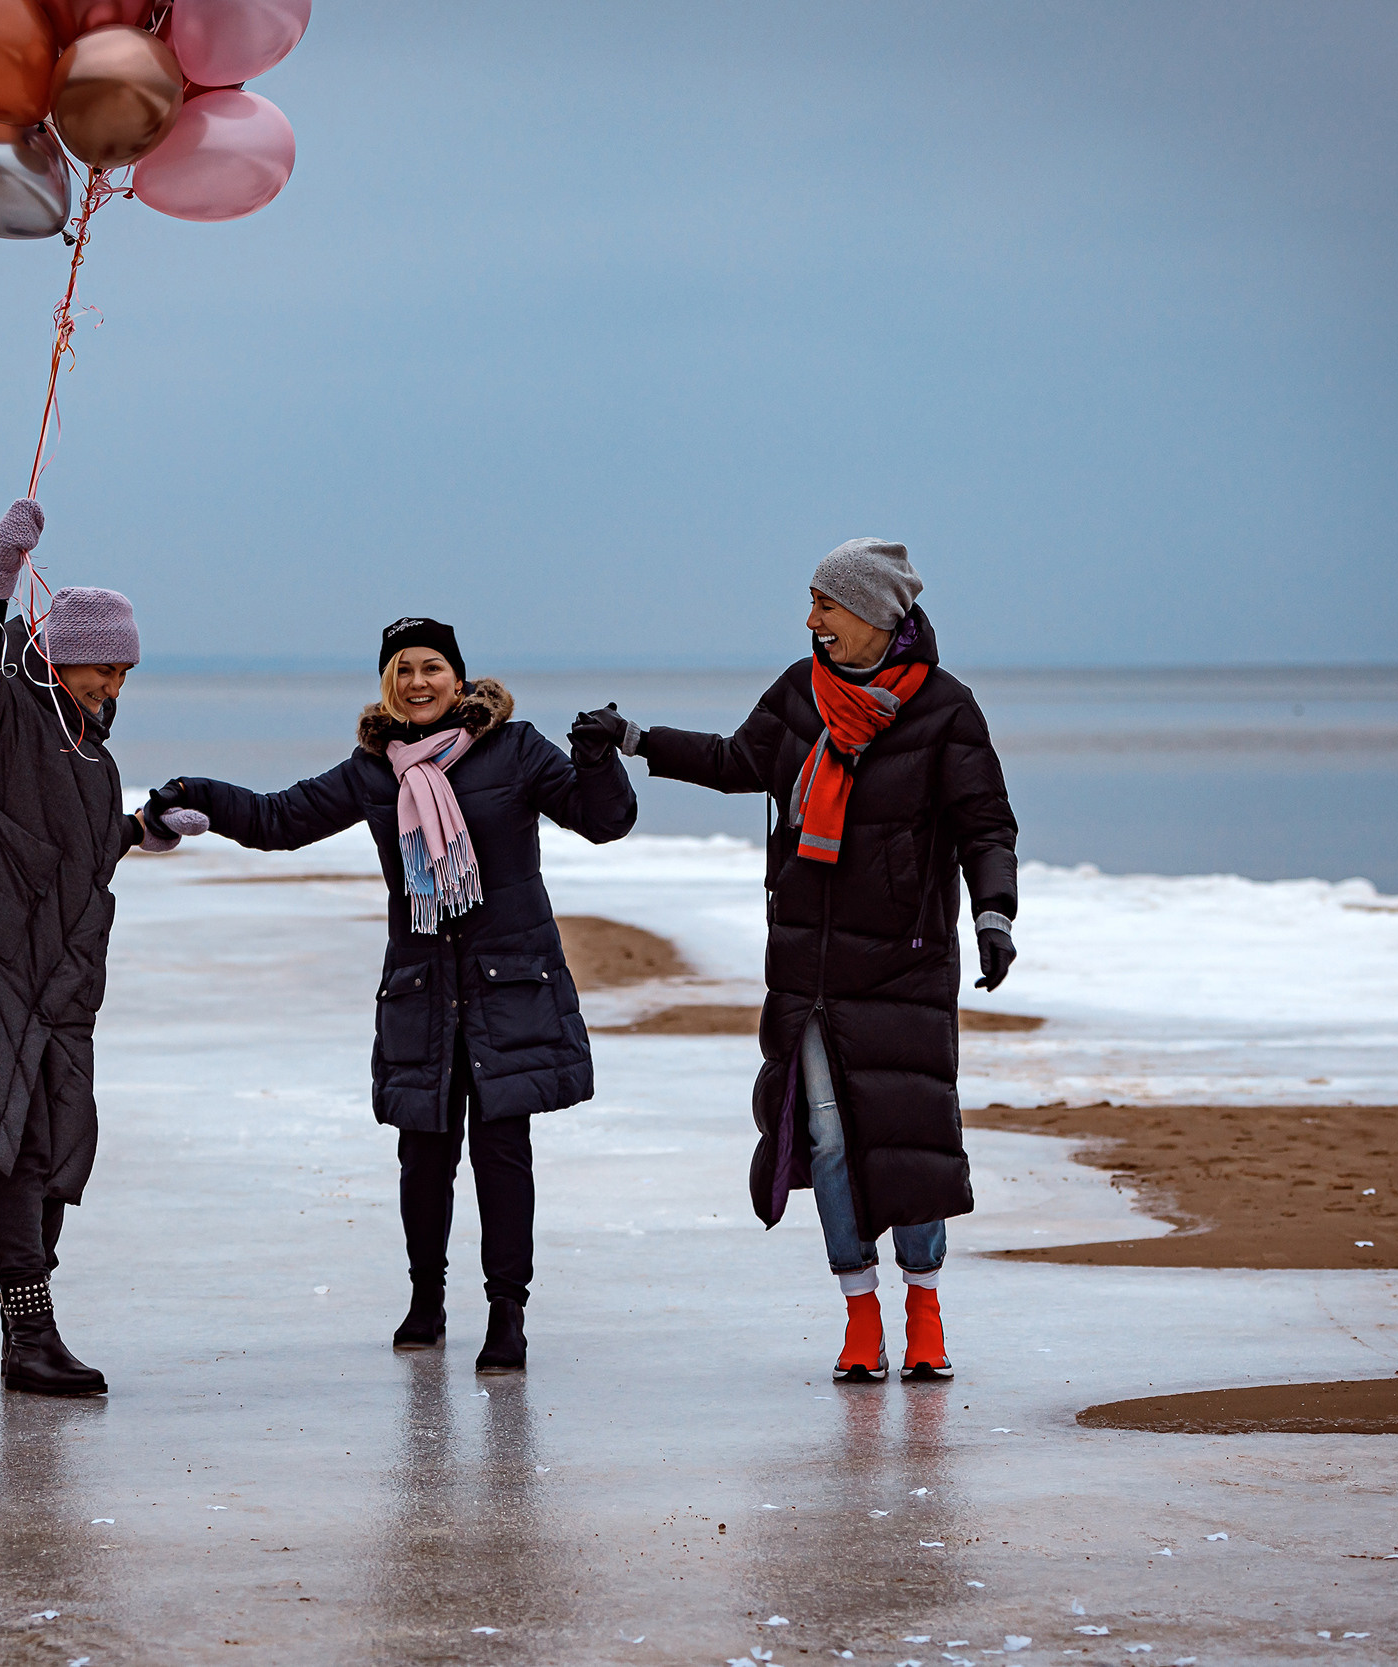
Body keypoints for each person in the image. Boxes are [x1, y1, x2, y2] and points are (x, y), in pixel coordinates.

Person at [571, 540, 1017, 1383]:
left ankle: (923, 1306)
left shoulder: (947, 710)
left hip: (907, 965)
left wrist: (994, 912)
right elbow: (739, 763)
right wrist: (634, 737)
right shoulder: (799, 691)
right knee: (826, 1136)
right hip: (809, 970)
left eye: (825, 605)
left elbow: (987, 825)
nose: (811, 621)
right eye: (810, 603)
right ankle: (859, 1310)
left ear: (877, 614)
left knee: (912, 1136)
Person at [140, 618, 636, 1372]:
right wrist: (198, 792)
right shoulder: (377, 768)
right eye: (401, 670)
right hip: (422, 989)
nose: (416, 682)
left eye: (431, 666)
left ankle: (508, 1314)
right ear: (386, 685)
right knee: (423, 1156)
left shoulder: (516, 748)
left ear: (460, 677)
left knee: (503, 1153)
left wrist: (597, 760)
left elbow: (606, 821)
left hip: (510, 985)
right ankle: (426, 1300)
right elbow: (281, 819)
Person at [0, 499, 202, 1398]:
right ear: (64, 658)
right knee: (15, 1148)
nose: (115, 686)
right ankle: (29, 1336)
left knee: (58, 1147)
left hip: (60, 978)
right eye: (106, 667)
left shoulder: (89, 752)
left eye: (124, 671)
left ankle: (30, 1332)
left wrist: (144, 827)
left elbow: (74, 850)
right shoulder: (3, 718)